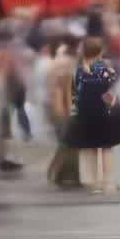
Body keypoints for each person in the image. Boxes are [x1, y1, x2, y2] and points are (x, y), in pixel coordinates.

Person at [62, 37, 120, 194]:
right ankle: (109, 183)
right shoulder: (105, 68)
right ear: (100, 51)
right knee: (106, 148)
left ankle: (92, 183)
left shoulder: (78, 70)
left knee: (89, 148)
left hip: (84, 112)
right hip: (104, 112)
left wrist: (73, 112)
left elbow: (74, 93)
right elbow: (111, 88)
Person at [45, 38, 80, 188]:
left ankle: (60, 174)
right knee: (70, 143)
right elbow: (63, 90)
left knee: (66, 143)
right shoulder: (67, 64)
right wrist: (68, 111)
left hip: (56, 107)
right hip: (62, 107)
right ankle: (63, 175)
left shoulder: (59, 61)